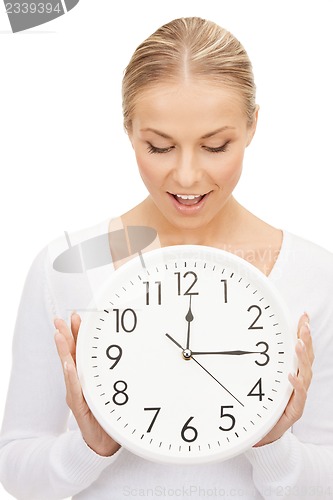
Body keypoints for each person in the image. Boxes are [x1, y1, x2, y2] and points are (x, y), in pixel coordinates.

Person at [0, 16, 332, 500]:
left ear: (253, 125)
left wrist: (272, 441)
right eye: (158, 146)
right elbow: (14, 466)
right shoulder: (66, 267)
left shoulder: (315, 275)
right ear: (128, 129)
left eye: (216, 145)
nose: (188, 175)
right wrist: (89, 447)